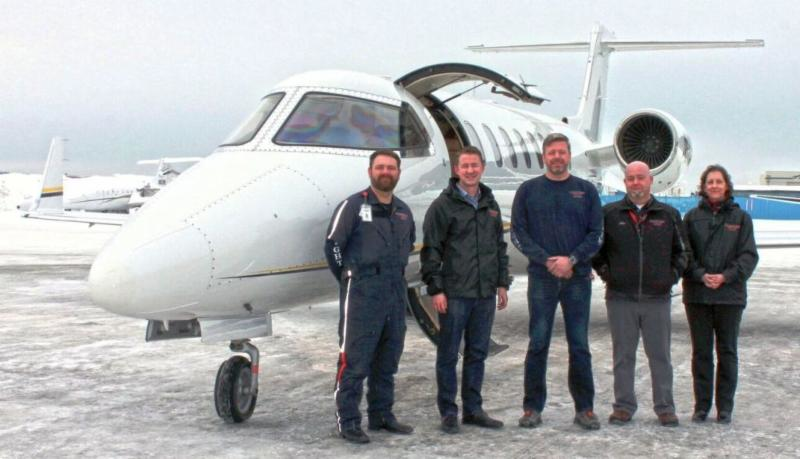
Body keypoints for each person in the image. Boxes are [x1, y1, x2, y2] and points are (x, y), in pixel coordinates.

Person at [511, 132, 603, 430]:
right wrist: (547, 260)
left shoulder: (586, 191)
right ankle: (532, 408)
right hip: (542, 278)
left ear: (569, 155)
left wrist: (572, 260)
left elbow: (596, 234)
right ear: (544, 157)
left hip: (577, 279)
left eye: (562, 152)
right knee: (538, 343)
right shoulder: (528, 191)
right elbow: (518, 233)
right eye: (552, 153)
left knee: (579, 345)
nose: (557, 157)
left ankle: (585, 408)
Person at [324, 150, 416, 444]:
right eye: (380, 167)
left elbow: (409, 243)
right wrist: (350, 276)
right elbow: (333, 246)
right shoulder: (353, 205)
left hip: (394, 289)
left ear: (398, 173)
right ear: (370, 171)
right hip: (363, 290)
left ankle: (381, 415)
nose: (385, 172)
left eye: (391, 167)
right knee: (355, 359)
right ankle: (348, 420)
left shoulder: (402, 210)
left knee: (388, 358)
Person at [421, 146, 511, 434]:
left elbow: (498, 247)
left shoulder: (490, 203)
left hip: (484, 294)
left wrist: (501, 282)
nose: (470, 170)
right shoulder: (442, 206)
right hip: (455, 293)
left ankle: (473, 409)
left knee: (477, 353)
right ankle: (448, 411)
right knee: (448, 354)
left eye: (475, 165)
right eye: (465, 166)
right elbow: (431, 250)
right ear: (456, 170)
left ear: (482, 167)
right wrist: (436, 289)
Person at [592, 161, 688, 427]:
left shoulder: (668, 215)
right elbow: (596, 251)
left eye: (640, 178)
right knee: (623, 355)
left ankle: (665, 407)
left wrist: (670, 278)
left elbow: (683, 253)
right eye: (631, 178)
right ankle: (623, 405)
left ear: (650, 181)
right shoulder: (610, 214)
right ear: (625, 182)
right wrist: (608, 274)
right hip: (620, 298)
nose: (636, 183)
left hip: (656, 299)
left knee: (660, 356)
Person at [682, 164, 758, 424]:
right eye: (709, 182)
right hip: (698, 296)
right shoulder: (691, 218)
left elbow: (749, 255)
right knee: (701, 352)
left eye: (719, 181)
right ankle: (701, 406)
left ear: (727, 186)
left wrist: (726, 276)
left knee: (727, 352)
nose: (714, 185)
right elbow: (684, 254)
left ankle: (724, 407)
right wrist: (700, 274)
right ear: (703, 187)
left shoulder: (741, 219)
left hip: (730, 297)